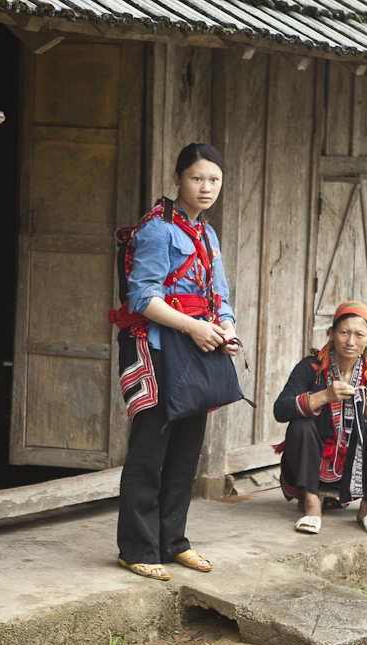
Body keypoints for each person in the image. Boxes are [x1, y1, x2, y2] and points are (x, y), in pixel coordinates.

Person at [109, 143, 239, 580]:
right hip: (159, 347)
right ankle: (137, 547)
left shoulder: (206, 233)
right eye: (197, 178)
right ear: (179, 179)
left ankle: (173, 541)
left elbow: (218, 294)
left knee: (186, 451)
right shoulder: (156, 230)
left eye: (214, 180)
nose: (206, 188)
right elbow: (142, 297)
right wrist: (193, 327)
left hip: (198, 347)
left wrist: (226, 329)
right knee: (150, 449)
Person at [272, 301, 367, 535]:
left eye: (358, 335)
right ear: (331, 334)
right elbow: (280, 410)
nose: (350, 341)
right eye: (344, 332)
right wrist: (324, 396)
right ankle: (312, 505)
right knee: (300, 425)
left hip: (355, 468)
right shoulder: (310, 368)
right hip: (311, 463)